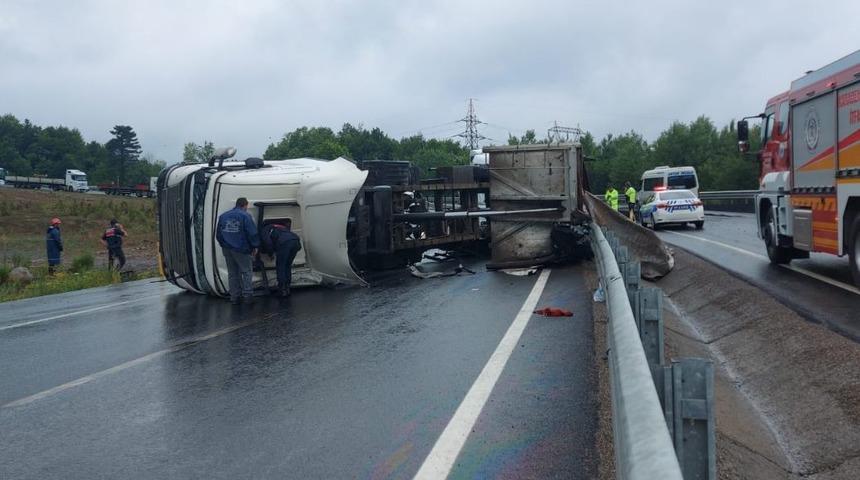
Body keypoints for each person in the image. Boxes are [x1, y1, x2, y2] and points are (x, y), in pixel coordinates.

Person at [216, 197, 260, 304]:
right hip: (241, 249)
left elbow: (218, 234)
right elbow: (252, 233)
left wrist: (224, 245)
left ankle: (234, 297)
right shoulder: (245, 216)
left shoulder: (223, 216)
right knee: (246, 272)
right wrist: (255, 246)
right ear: (245, 205)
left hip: (227, 249)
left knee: (232, 273)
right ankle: (247, 296)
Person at [261, 219, 302, 297]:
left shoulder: (265, 229)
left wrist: (270, 253)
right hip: (296, 241)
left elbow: (268, 242)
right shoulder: (282, 227)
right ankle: (287, 288)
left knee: (281, 266)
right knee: (287, 265)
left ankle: (282, 290)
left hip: (284, 243)